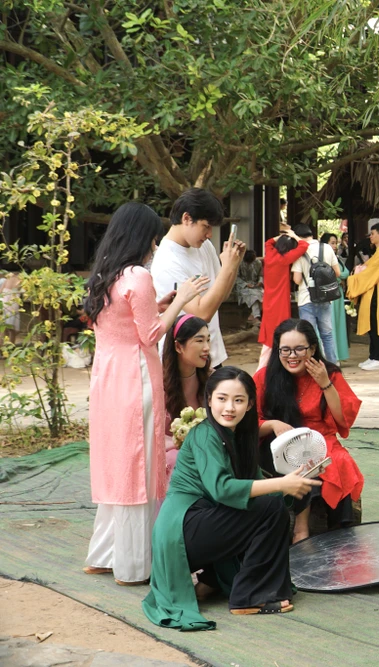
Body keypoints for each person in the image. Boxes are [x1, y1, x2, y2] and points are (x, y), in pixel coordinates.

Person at [82, 202, 210, 585]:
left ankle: (104, 553)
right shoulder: (138, 274)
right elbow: (151, 335)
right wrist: (183, 297)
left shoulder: (105, 273)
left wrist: (157, 307)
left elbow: (123, 320)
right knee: (139, 466)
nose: (155, 243)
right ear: (142, 235)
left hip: (107, 377)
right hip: (135, 377)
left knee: (118, 464)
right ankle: (135, 565)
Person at [143, 367, 321, 629]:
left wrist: (298, 479)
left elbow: (260, 486)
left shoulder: (239, 437)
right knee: (269, 508)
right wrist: (281, 485)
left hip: (202, 523)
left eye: (238, 400)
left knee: (273, 508)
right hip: (181, 530)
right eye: (222, 398)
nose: (229, 407)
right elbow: (222, 489)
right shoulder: (205, 434)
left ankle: (213, 583)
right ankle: (249, 598)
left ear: (250, 404)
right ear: (209, 399)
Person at [255, 319, 364, 544]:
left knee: (339, 461)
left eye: (299, 349)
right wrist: (273, 424)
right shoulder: (265, 377)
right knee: (299, 463)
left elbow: (342, 418)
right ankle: (301, 531)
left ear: (312, 349)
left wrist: (325, 383)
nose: (292, 356)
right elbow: (248, 421)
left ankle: (340, 530)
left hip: (320, 439)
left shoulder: (329, 374)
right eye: (285, 349)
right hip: (277, 443)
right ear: (277, 350)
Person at [151, 188, 245, 368]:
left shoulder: (204, 246)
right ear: (186, 218)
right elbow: (202, 313)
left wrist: (233, 265)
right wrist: (227, 268)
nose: (209, 234)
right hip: (184, 364)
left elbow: (221, 295)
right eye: (206, 227)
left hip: (211, 355)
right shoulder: (167, 260)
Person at [162, 314, 211, 478]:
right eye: (199, 341)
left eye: (208, 340)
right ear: (178, 346)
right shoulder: (158, 386)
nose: (207, 348)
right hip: (172, 456)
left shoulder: (213, 381)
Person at [257, 230, 309, 370]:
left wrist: (280, 236)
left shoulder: (270, 254)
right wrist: (294, 235)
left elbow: (268, 242)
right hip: (280, 302)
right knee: (278, 336)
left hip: (268, 301)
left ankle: (265, 367)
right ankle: (262, 370)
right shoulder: (285, 259)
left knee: (270, 337)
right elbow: (304, 245)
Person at [291, 224, 341, 363]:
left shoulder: (299, 252)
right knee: (327, 335)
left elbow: (297, 279)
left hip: (306, 300)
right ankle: (333, 366)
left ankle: (313, 365)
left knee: (309, 337)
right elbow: (337, 273)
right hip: (325, 298)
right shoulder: (327, 248)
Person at [347, 222, 379, 371]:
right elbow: (367, 269)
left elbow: (371, 273)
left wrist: (356, 275)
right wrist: (359, 270)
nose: (370, 237)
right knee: (372, 326)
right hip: (372, 294)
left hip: (377, 295)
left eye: (373, 234)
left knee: (376, 326)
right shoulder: (378, 252)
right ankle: (373, 356)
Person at [321, 233, 351, 362]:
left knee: (337, 323)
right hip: (330, 293)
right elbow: (341, 274)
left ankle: (337, 355)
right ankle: (331, 356)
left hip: (337, 293)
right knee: (330, 324)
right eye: (332, 243)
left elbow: (344, 273)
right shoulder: (324, 258)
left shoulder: (336, 258)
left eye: (335, 243)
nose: (335, 245)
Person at [234, 249, 263, 325]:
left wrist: (260, 281)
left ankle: (252, 316)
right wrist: (246, 284)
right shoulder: (239, 263)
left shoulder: (258, 263)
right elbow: (236, 278)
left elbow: (261, 275)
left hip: (256, 285)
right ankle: (256, 316)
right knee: (254, 295)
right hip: (243, 286)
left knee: (263, 295)